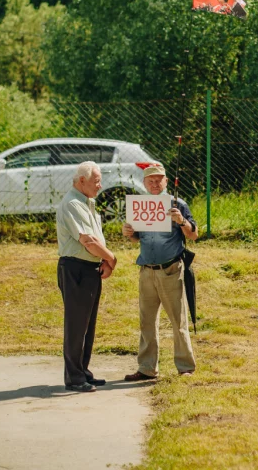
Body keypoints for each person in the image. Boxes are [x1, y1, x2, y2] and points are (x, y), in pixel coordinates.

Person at [122, 163, 198, 380]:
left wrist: (181, 221)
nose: (155, 184)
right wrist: (128, 233)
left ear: (166, 181)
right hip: (146, 270)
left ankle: (185, 367)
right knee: (146, 320)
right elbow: (139, 237)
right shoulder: (139, 205)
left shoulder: (177, 204)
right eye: (150, 181)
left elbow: (194, 234)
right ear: (144, 183)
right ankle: (147, 368)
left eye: (159, 180)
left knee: (177, 320)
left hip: (170, 269)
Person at [56, 161, 118, 392]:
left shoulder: (87, 202)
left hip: (90, 268)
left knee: (87, 325)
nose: (100, 186)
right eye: (96, 181)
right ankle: (74, 377)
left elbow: (95, 239)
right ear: (82, 181)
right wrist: (111, 258)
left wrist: (104, 260)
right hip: (76, 269)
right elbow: (88, 241)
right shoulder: (73, 203)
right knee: (76, 325)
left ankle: (83, 371)